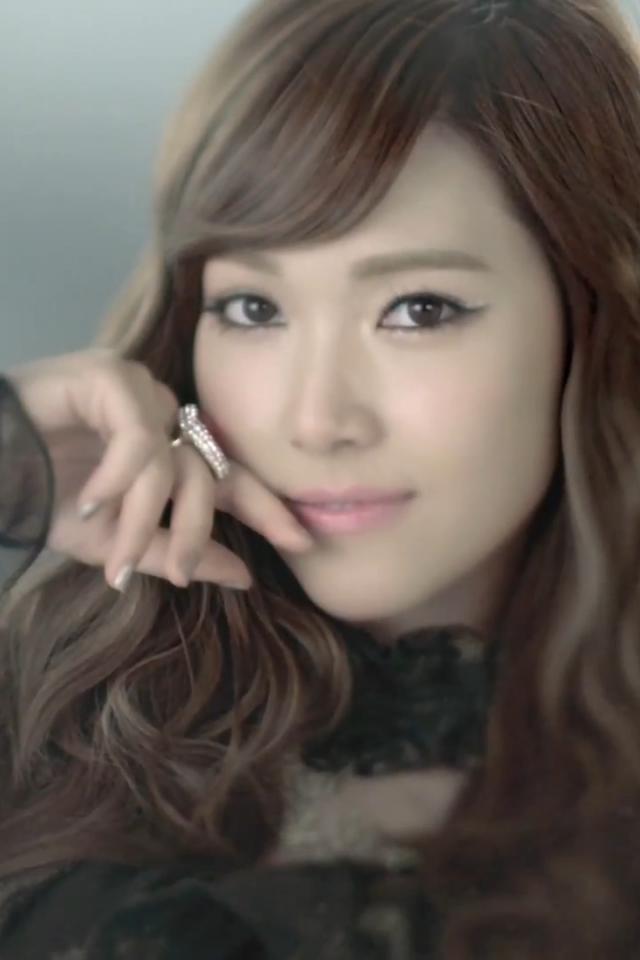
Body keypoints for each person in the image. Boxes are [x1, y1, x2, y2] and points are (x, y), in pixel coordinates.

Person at [1, 0, 640, 955]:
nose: (315, 420)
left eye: (419, 309)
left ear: (588, 324)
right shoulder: (54, 710)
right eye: (254, 308)